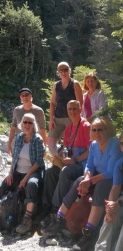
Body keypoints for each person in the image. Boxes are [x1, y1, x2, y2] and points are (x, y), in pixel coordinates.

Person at [43, 117, 123, 251]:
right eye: (94, 130)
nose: (97, 133)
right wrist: (86, 179)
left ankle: (89, 233)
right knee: (79, 181)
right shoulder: (93, 145)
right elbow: (90, 166)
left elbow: (110, 172)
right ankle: (60, 218)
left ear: (107, 130)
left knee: (101, 187)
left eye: (100, 130)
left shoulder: (114, 144)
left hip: (109, 179)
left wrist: (90, 181)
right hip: (96, 176)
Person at [41, 100, 91, 218]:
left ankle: (56, 209)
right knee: (50, 172)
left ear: (80, 109)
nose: (72, 112)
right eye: (70, 109)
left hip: (82, 163)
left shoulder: (86, 126)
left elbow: (90, 151)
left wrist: (74, 160)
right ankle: (45, 205)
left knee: (65, 172)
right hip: (71, 161)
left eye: (75, 109)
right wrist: (59, 157)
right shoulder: (68, 127)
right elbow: (66, 147)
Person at [0, 113, 45, 234]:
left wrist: (25, 178)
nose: (27, 125)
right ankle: (2, 213)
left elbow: (38, 162)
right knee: (3, 186)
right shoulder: (19, 137)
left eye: (30, 122)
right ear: (22, 124)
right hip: (17, 170)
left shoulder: (37, 139)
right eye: (25, 122)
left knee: (32, 184)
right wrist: (10, 173)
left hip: (32, 171)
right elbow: (14, 156)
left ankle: (27, 218)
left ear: (34, 125)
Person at [94, 133, 123, 251]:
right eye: (122, 143)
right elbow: (115, 188)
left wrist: (119, 203)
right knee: (110, 217)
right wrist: (110, 207)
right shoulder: (120, 164)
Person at [48, 62, 83, 156]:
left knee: (69, 143)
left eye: (65, 70)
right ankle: (57, 161)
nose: (63, 73)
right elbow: (52, 103)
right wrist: (51, 118)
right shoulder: (56, 85)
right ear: (58, 72)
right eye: (61, 71)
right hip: (58, 117)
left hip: (71, 118)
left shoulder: (75, 84)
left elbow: (80, 103)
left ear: (69, 71)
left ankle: (66, 162)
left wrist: (77, 120)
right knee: (50, 141)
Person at [7, 88, 46, 155]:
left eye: (27, 95)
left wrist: (44, 147)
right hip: (19, 141)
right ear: (20, 98)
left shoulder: (39, 111)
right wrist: (9, 143)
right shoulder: (17, 110)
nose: (25, 97)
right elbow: (13, 127)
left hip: (34, 141)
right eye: (23, 95)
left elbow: (42, 129)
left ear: (31, 96)